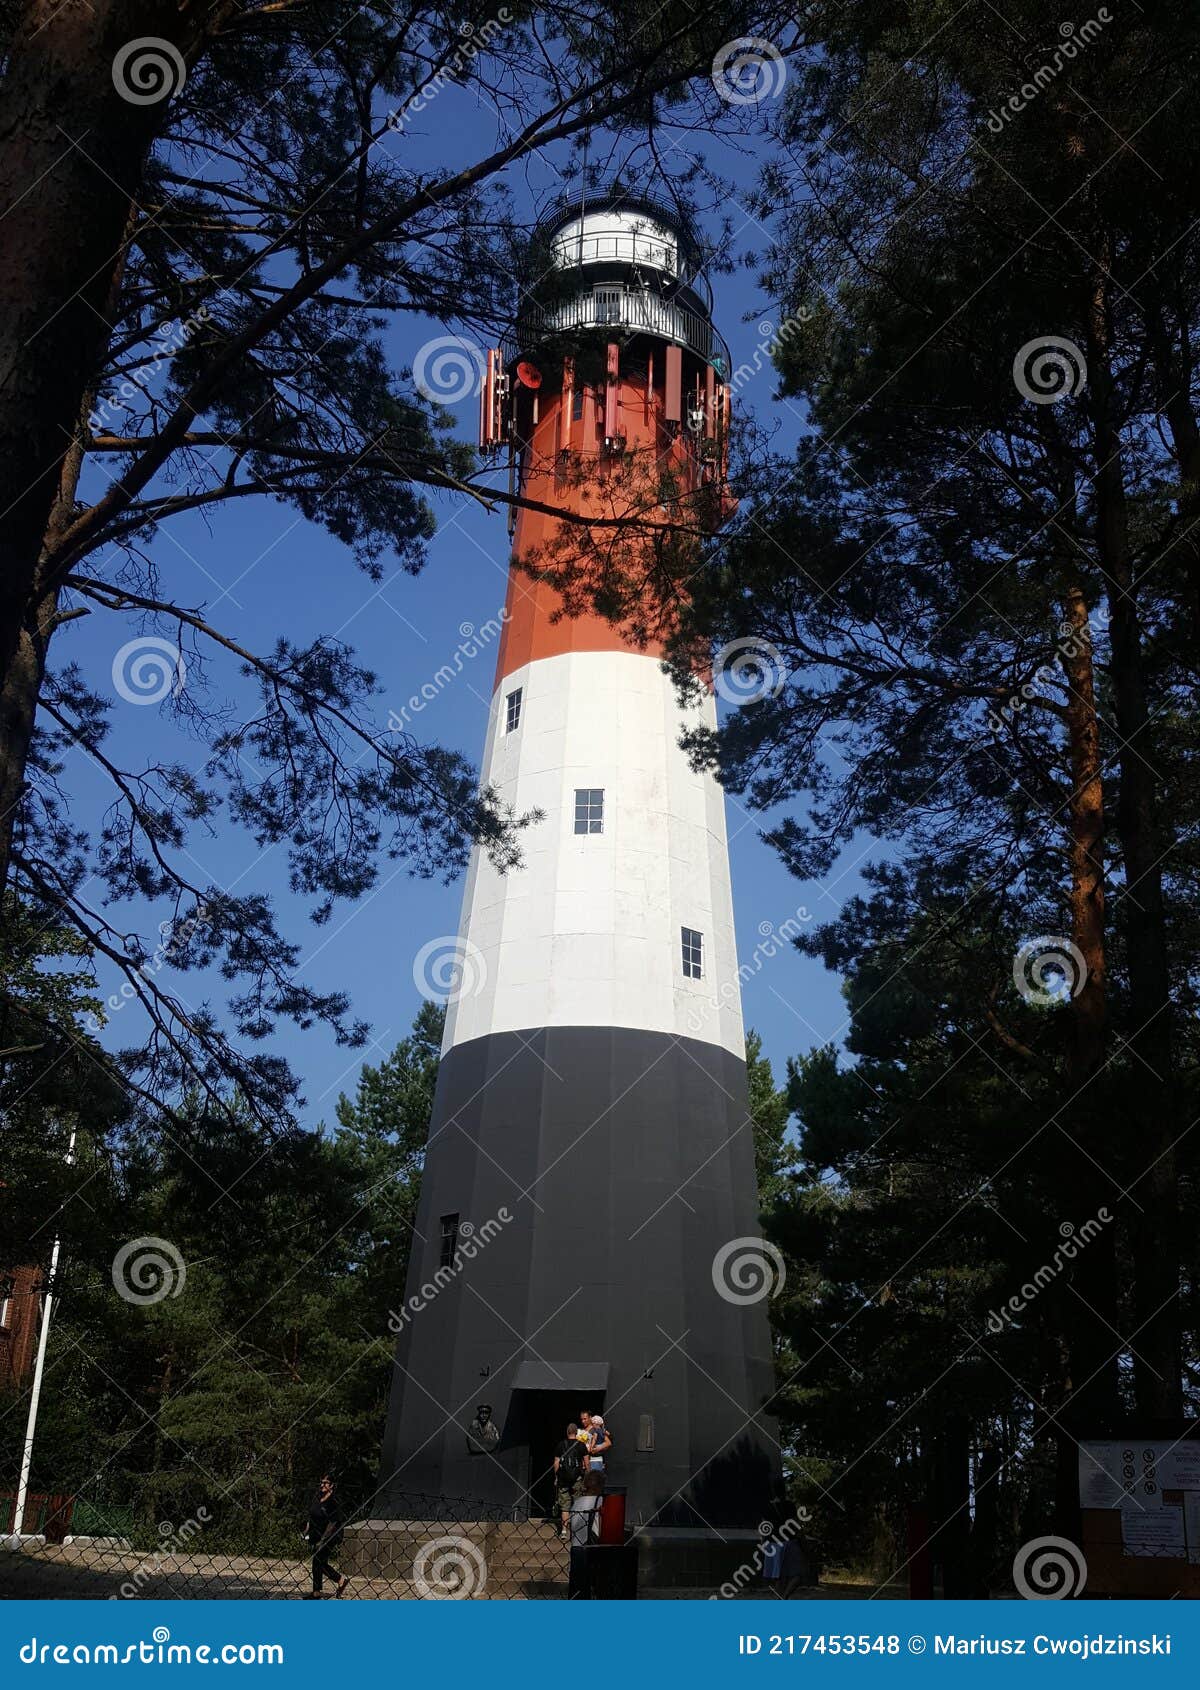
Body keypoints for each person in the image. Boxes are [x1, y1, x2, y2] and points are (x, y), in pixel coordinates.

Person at [303, 1473, 349, 1598]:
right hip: (318, 1533)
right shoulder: (317, 1496)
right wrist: (306, 1531)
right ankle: (339, 1581)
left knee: (317, 1560)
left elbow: (333, 1522)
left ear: (332, 1485)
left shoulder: (333, 1500)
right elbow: (311, 1515)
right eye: (321, 1482)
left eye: (325, 1483)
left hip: (331, 1535)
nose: (322, 1485)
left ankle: (318, 1591)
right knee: (319, 1562)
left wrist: (323, 1539)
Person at [567, 1473, 604, 1598]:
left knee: (577, 1591)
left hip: (576, 1549)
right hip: (592, 1551)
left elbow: (571, 1527)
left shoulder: (576, 1503)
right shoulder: (601, 1502)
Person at [553, 1421, 587, 1540]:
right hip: (577, 1478)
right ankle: (576, 1530)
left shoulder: (560, 1445)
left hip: (563, 1479)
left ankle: (563, 1531)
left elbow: (556, 1463)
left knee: (565, 1506)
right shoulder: (581, 1445)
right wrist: (586, 1476)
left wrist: (557, 1477)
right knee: (577, 1503)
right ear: (576, 1432)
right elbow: (586, 1463)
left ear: (567, 1432)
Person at [586, 1413, 612, 1479]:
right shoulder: (601, 1430)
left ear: (595, 1423)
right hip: (598, 1460)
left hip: (595, 1460)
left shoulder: (594, 1431)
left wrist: (593, 1447)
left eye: (592, 1423)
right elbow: (609, 1434)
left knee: (594, 1479)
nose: (592, 1425)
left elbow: (595, 1439)